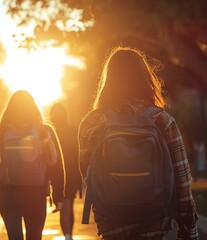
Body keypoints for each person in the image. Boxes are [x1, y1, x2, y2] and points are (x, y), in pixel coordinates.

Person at [78, 46, 199, 239]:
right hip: (157, 218)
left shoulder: (92, 123)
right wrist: (188, 227)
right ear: (145, 78)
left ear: (108, 81)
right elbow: (182, 178)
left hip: (112, 220)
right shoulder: (162, 120)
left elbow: (89, 176)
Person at [0, 90, 65, 240]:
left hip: (9, 194)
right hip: (35, 194)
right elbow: (56, 164)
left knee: (14, 237)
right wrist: (58, 195)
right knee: (34, 237)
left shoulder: (3, 131)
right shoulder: (44, 131)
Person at [50, 103, 81, 240]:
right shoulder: (73, 131)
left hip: (58, 175)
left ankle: (67, 236)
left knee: (64, 208)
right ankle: (69, 235)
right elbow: (78, 156)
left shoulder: (52, 132)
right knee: (69, 207)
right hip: (73, 175)